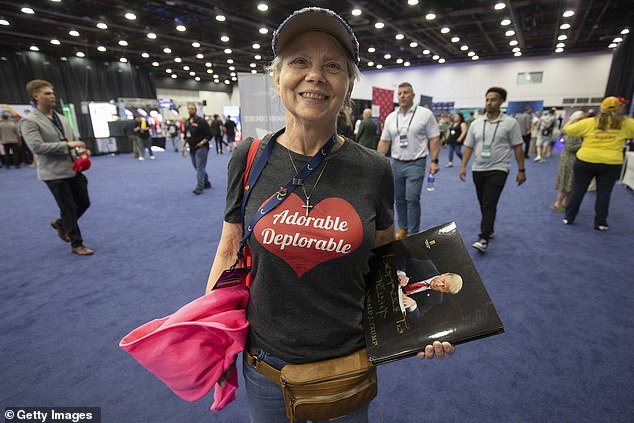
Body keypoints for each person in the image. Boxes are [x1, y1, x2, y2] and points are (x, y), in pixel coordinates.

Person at [204, 8, 454, 423]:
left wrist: (426, 324)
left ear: (349, 84)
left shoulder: (374, 168)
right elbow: (229, 249)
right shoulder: (249, 158)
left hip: (347, 363)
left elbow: (386, 256)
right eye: (299, 61)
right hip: (266, 365)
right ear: (277, 77)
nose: (315, 75)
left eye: (332, 66)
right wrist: (213, 335)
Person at [21, 79, 93, 255]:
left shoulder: (61, 118)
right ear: (35, 96)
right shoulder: (30, 121)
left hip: (72, 168)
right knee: (68, 207)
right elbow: (37, 147)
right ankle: (77, 244)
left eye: (52, 92)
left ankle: (61, 224)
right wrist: (68, 146)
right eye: (47, 93)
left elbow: (72, 138)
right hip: (53, 173)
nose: (52, 96)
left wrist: (81, 151)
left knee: (84, 202)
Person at [459, 87, 526, 253]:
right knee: (484, 203)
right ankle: (490, 228)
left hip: (499, 169)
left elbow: (518, 147)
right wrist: (463, 166)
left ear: (502, 101)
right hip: (478, 169)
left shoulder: (510, 123)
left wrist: (521, 170)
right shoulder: (476, 123)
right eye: (487, 99)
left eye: (494, 99)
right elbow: (468, 146)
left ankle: (483, 237)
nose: (489, 103)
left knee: (489, 202)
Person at [378, 82, 441, 240]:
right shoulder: (391, 117)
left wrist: (434, 160)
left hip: (416, 162)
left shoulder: (425, 114)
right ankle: (404, 228)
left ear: (413, 95)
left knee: (412, 198)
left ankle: (413, 233)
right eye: (400, 93)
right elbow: (385, 141)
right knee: (398, 199)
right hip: (396, 163)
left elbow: (434, 138)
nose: (403, 96)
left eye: (406, 93)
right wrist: (377, 161)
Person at [563, 96, 634, 230]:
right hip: (611, 163)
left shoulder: (590, 122)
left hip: (586, 160)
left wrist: (575, 119)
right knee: (604, 193)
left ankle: (569, 217)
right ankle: (601, 222)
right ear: (620, 109)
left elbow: (567, 129)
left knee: (578, 190)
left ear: (602, 108)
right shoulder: (627, 123)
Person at [397, 258, 463, 319]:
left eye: (443, 287)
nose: (438, 284)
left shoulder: (436, 299)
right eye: (443, 281)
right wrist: (402, 274)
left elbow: (419, 314)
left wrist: (413, 305)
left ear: (445, 292)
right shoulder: (427, 266)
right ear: (444, 274)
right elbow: (405, 261)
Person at [552, 111, 586, 211]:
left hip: (572, 158)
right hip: (569, 159)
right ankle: (558, 203)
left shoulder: (575, 129)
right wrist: (585, 145)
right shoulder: (573, 130)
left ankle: (565, 203)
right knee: (566, 182)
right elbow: (570, 147)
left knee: (570, 183)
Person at [182, 104, 212, 195]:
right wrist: (182, 148)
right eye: (189, 109)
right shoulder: (187, 122)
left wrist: (201, 142)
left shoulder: (201, 121)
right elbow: (185, 136)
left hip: (201, 147)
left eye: (192, 109)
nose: (190, 110)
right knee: (197, 166)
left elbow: (209, 134)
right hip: (192, 148)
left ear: (195, 110)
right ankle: (206, 182)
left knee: (200, 167)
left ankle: (200, 186)